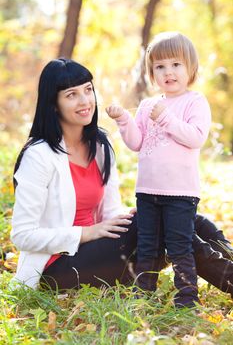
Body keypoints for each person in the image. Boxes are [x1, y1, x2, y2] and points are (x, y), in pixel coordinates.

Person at [11, 58, 233, 302]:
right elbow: (22, 235)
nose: (85, 101)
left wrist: (132, 216)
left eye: (87, 90)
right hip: (58, 267)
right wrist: (87, 233)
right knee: (165, 221)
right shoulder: (38, 155)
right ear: (53, 104)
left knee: (188, 218)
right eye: (71, 95)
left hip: (103, 254)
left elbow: (111, 212)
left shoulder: (99, 146)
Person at [106, 32, 212, 307]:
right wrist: (124, 121)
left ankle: (186, 298)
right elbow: (137, 142)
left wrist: (165, 118)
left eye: (176, 64)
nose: (168, 72)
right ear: (152, 73)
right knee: (147, 246)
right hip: (147, 190)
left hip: (180, 192)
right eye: (160, 66)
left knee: (179, 246)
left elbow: (195, 137)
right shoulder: (147, 104)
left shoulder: (195, 101)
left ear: (190, 68)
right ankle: (144, 292)